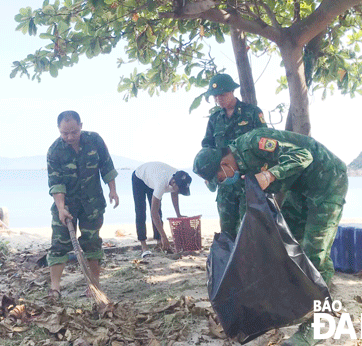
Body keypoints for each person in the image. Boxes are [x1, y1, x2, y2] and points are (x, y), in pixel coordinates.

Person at [193, 128, 348, 346]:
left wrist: (270, 174)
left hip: (327, 182)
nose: (221, 183)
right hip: (300, 189)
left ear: (224, 164)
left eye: (219, 178)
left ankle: (317, 324)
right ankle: (293, 305)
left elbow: (304, 155)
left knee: (315, 252)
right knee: (283, 246)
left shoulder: (254, 143)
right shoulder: (239, 168)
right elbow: (245, 213)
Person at [46, 110, 119, 301]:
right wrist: (61, 208)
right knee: (59, 244)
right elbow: (56, 183)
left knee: (92, 242)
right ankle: (55, 288)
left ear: (81, 126)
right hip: (66, 205)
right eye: (64, 133)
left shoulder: (94, 141)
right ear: (59, 130)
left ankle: (94, 286)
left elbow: (107, 167)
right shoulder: (54, 151)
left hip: (92, 202)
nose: (69, 137)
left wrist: (113, 190)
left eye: (73, 132)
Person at [201, 73, 267, 238]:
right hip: (225, 183)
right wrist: (209, 173)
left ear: (232, 92)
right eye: (215, 96)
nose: (219, 99)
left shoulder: (252, 113)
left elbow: (265, 143)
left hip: (248, 181)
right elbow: (207, 147)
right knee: (227, 231)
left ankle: (250, 263)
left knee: (249, 230)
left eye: (222, 95)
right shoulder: (215, 118)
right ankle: (230, 263)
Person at [132, 162, 192, 256]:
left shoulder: (178, 176)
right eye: (180, 189)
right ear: (173, 183)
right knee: (141, 211)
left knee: (159, 211)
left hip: (152, 176)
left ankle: (159, 242)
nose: (180, 192)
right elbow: (153, 212)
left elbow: (174, 193)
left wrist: (178, 214)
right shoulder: (161, 183)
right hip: (139, 177)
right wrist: (164, 236)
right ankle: (144, 245)